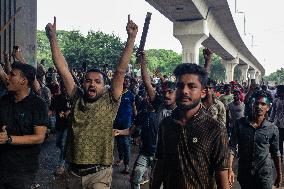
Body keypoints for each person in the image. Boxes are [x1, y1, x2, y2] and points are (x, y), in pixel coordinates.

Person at [45, 15, 138, 189]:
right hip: (73, 173)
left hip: (99, 174)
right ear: (83, 83)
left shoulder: (110, 100)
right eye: (88, 80)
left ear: (104, 86)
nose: (92, 84)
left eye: (97, 81)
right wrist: (53, 39)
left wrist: (131, 38)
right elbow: (63, 70)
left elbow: (119, 71)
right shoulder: (76, 97)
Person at [150, 63, 230, 189]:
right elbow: (160, 163)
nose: (184, 91)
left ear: (203, 92)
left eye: (192, 86)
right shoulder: (166, 124)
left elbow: (222, 176)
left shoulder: (216, 129)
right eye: (180, 86)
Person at [0, 63, 48, 189]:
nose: (7, 77)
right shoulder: (3, 101)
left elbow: (39, 137)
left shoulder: (38, 105)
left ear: (23, 81)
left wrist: (9, 139)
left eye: (12, 75)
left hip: (22, 170)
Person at [229, 90, 282, 189]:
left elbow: (276, 153)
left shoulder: (272, 128)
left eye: (263, 104)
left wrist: (279, 175)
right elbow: (232, 147)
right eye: (256, 103)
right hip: (245, 173)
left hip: (264, 175)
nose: (259, 106)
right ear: (251, 104)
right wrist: (230, 169)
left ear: (268, 107)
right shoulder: (240, 124)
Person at [113, 75, 137, 174]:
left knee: (126, 144)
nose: (126, 82)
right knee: (118, 143)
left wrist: (135, 120)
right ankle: (121, 158)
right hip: (116, 122)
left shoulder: (131, 95)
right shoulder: (116, 93)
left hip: (126, 123)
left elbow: (134, 108)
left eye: (128, 81)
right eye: (125, 81)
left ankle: (127, 166)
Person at [270, 85, 284, 160]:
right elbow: (273, 112)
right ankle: (280, 156)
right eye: (277, 91)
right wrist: (271, 121)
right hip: (278, 125)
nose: (277, 92)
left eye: (279, 91)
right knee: (279, 141)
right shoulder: (276, 100)